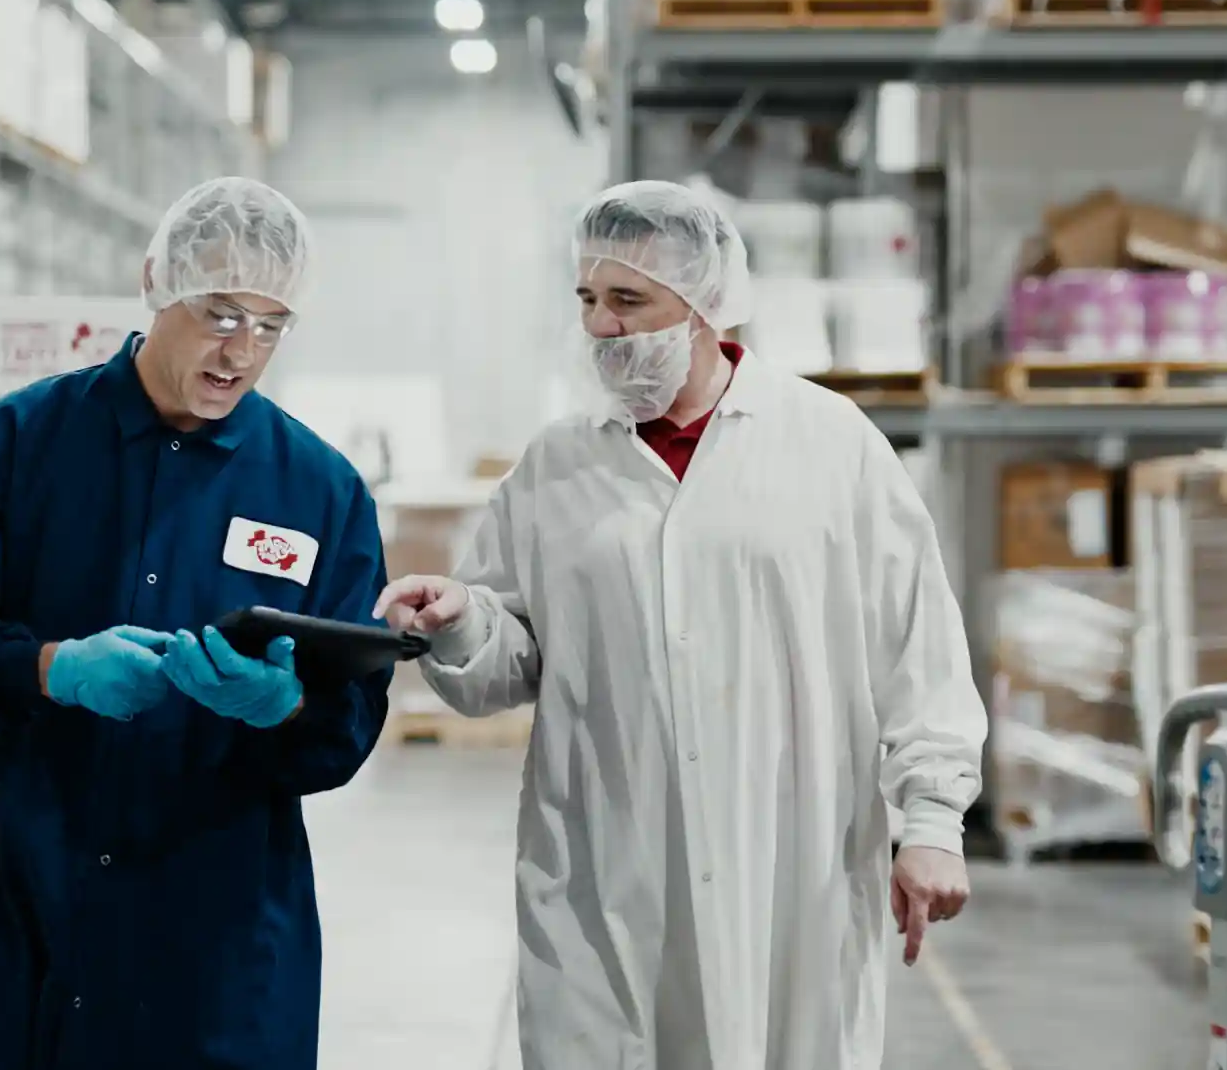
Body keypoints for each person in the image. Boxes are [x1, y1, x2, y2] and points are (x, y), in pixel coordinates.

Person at [373, 180, 988, 1070]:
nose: (602, 325)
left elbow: (916, 646)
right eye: (588, 298)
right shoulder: (558, 466)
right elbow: (513, 660)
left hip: (792, 872)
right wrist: (464, 620)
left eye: (629, 300)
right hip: (603, 877)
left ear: (704, 303)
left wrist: (931, 821)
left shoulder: (828, 444)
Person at [0, 177, 392, 1070]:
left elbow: (350, 715)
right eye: (221, 313)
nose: (241, 351)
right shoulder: (18, 444)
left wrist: (285, 707)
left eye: (271, 326)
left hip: (211, 946)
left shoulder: (319, 489)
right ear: (156, 281)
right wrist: (49, 669)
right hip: (17, 913)